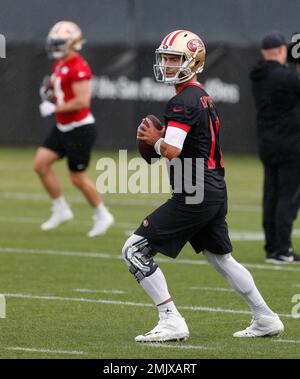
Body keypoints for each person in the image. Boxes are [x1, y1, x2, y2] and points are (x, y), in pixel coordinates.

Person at [121, 30, 284, 342]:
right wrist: (160, 147)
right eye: (165, 58)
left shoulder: (182, 101)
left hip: (195, 191)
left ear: (193, 61)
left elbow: (172, 150)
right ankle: (265, 316)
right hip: (211, 188)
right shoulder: (202, 96)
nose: (167, 64)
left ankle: (170, 320)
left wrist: (155, 144)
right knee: (221, 258)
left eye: (174, 59)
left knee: (134, 251)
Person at [34, 21, 114, 237]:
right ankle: (60, 209)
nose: (56, 46)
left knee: (77, 177)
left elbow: (82, 102)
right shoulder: (59, 64)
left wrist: (54, 106)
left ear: (73, 43)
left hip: (79, 129)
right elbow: (62, 91)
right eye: (55, 42)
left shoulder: (78, 66)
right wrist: (52, 96)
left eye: (60, 43)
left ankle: (102, 214)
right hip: (63, 126)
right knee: (41, 164)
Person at [250, 32, 300, 263]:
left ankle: (273, 247)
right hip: (290, 144)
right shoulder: (285, 76)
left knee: (271, 195)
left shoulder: (258, 75)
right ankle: (282, 249)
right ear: (281, 50)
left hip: (267, 143)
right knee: (287, 197)